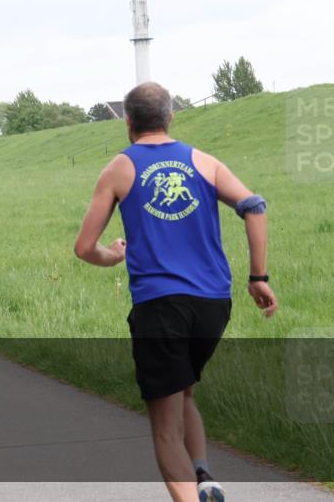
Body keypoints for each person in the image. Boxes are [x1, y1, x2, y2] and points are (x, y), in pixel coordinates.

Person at [74, 82, 278, 502]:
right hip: (213, 304)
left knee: (164, 429)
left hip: (159, 307)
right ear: (170, 117)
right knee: (184, 390)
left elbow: (83, 248)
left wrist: (113, 256)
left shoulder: (119, 168)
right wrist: (259, 277)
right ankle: (204, 475)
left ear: (128, 122)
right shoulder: (205, 162)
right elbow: (254, 207)